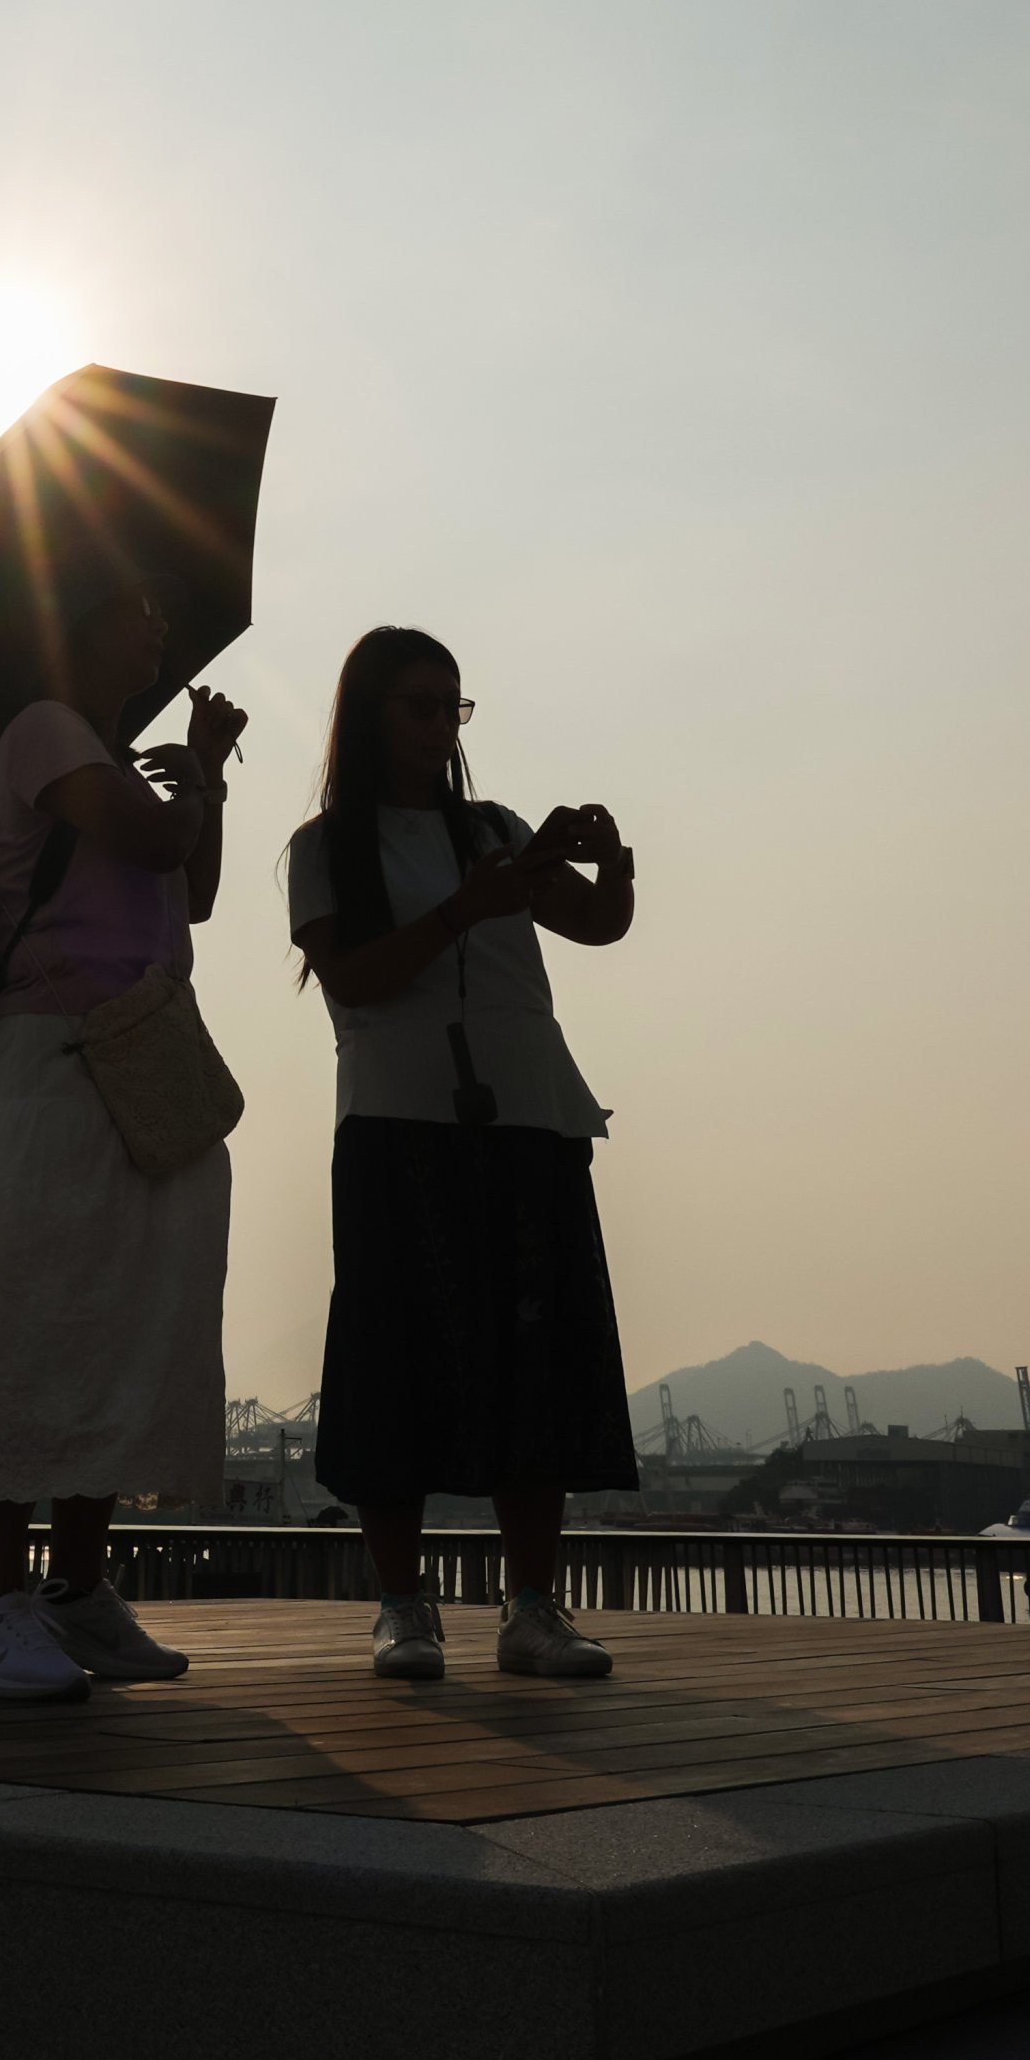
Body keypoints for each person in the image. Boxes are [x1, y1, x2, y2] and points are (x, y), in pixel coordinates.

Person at [0, 579, 246, 1704]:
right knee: (30, 1322)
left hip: (135, 1058)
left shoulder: (110, 748)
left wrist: (203, 778)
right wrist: (189, 774)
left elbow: (190, 888)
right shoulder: (45, 730)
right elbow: (155, 840)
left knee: (113, 1319)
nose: (155, 621)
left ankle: (76, 1590)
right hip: (54, 1058)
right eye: (133, 605)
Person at [285, 628, 638, 1682]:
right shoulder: (324, 847)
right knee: (394, 1361)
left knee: (539, 1360)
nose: (442, 728)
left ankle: (534, 1606)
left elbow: (599, 924)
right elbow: (355, 980)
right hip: (398, 1119)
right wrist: (461, 910)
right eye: (419, 707)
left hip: (529, 1114)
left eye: (454, 708)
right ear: (369, 716)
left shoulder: (494, 829)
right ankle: (404, 1606)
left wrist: (608, 854)